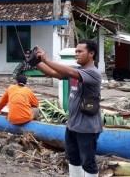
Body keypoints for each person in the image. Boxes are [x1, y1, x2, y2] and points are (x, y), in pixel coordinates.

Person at [34, 39, 102, 177]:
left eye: (80, 51)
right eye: (75, 51)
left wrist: (46, 60)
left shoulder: (93, 73)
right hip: (72, 125)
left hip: (87, 128)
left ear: (91, 53)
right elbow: (54, 73)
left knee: (88, 163)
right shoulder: (77, 70)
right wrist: (35, 62)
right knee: (73, 159)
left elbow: (71, 73)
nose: (76, 54)